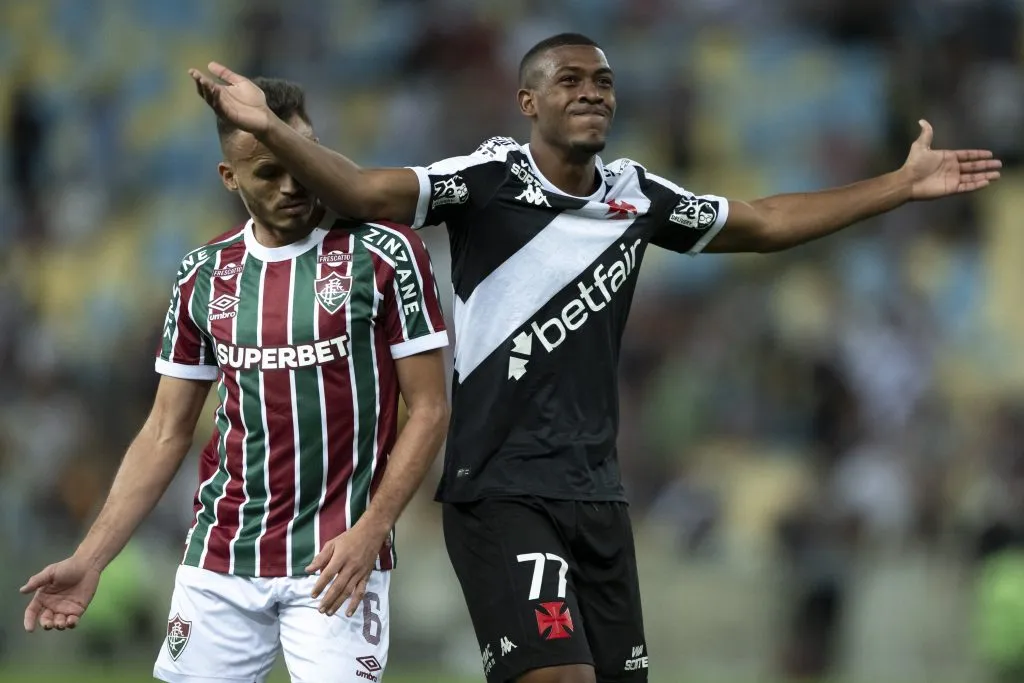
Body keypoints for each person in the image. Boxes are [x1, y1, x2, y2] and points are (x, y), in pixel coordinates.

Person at [188, 34, 1002, 683]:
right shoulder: (488, 179)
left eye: (604, 82)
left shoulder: (636, 196)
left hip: (597, 494)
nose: (591, 93)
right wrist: (270, 128)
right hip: (499, 487)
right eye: (570, 80)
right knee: (560, 676)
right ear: (528, 102)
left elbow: (762, 221)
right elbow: (367, 193)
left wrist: (897, 186)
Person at [20, 77, 451, 683]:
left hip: (339, 559)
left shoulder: (385, 253)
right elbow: (165, 430)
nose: (293, 184)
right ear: (230, 178)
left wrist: (372, 531)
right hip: (222, 554)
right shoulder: (203, 273)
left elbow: (430, 409)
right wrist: (91, 559)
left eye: (301, 159)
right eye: (269, 172)